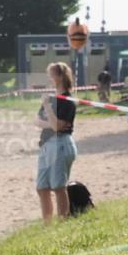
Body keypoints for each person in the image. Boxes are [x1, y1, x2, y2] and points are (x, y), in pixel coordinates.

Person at [34, 62, 78, 224]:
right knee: (42, 188)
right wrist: (51, 124)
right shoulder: (51, 97)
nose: (49, 78)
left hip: (60, 144)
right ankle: (48, 224)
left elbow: (58, 127)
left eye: (51, 75)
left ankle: (62, 222)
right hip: (46, 145)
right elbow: (37, 121)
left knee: (58, 187)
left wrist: (48, 108)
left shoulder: (67, 100)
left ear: (60, 77)